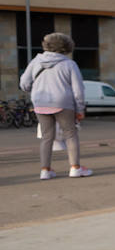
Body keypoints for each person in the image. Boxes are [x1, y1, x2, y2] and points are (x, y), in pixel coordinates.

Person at [19, 32, 91, 179]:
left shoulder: (35, 61)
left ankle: (45, 170)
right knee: (70, 134)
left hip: (40, 102)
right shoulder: (70, 64)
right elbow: (78, 90)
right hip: (63, 103)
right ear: (67, 47)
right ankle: (75, 168)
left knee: (47, 137)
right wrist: (80, 109)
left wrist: (36, 92)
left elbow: (24, 83)